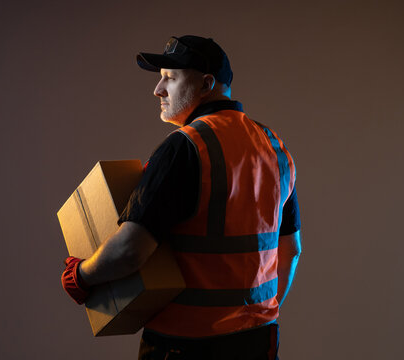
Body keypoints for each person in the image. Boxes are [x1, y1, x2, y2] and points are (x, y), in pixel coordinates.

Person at [61, 35, 302, 360]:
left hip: (186, 346)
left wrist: (82, 275)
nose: (158, 90)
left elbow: (131, 250)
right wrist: (259, 318)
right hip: (259, 341)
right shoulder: (273, 146)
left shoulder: (186, 147)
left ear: (206, 84)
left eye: (170, 79)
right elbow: (292, 250)